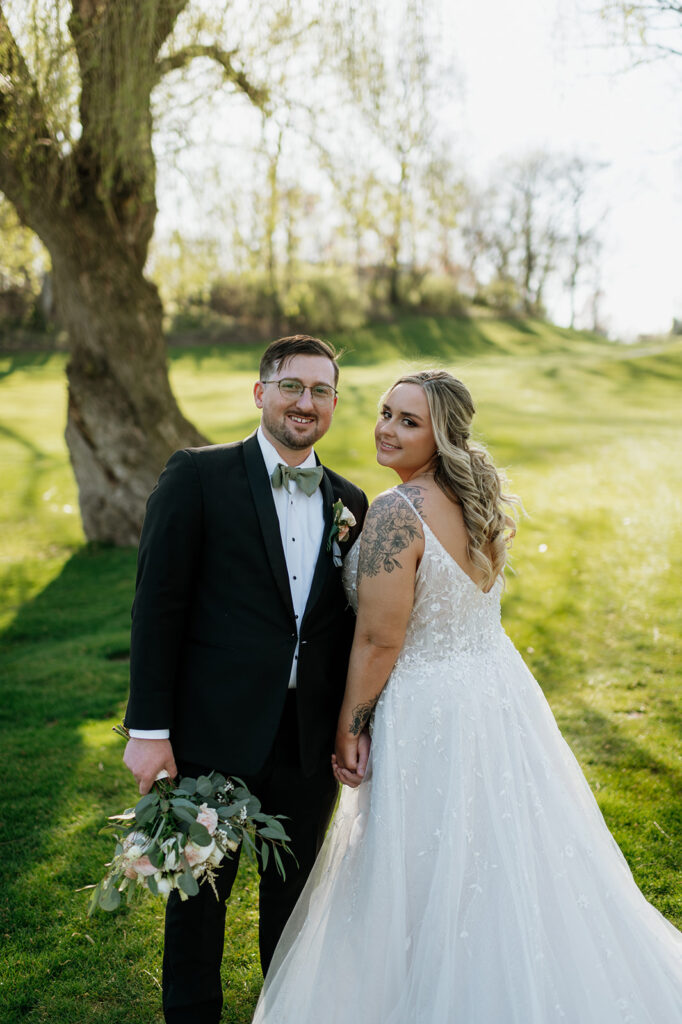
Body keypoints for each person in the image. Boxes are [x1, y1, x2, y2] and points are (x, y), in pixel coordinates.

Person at [253, 370, 682, 1023]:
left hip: (429, 705)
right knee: (499, 847)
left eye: (409, 421)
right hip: (494, 692)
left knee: (426, 859)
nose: (387, 429)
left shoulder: (400, 512)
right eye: (385, 412)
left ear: (442, 435)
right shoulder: (475, 499)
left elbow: (378, 640)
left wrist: (349, 724)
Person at [122, 334, 369, 1024]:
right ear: (261, 393)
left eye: (321, 390)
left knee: (295, 905)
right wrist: (148, 731)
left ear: (333, 405)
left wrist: (354, 724)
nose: (305, 402)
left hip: (305, 740)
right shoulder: (197, 476)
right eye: (292, 385)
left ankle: (285, 1012)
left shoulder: (351, 502)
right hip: (211, 736)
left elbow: (351, 628)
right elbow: (157, 605)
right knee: (198, 899)